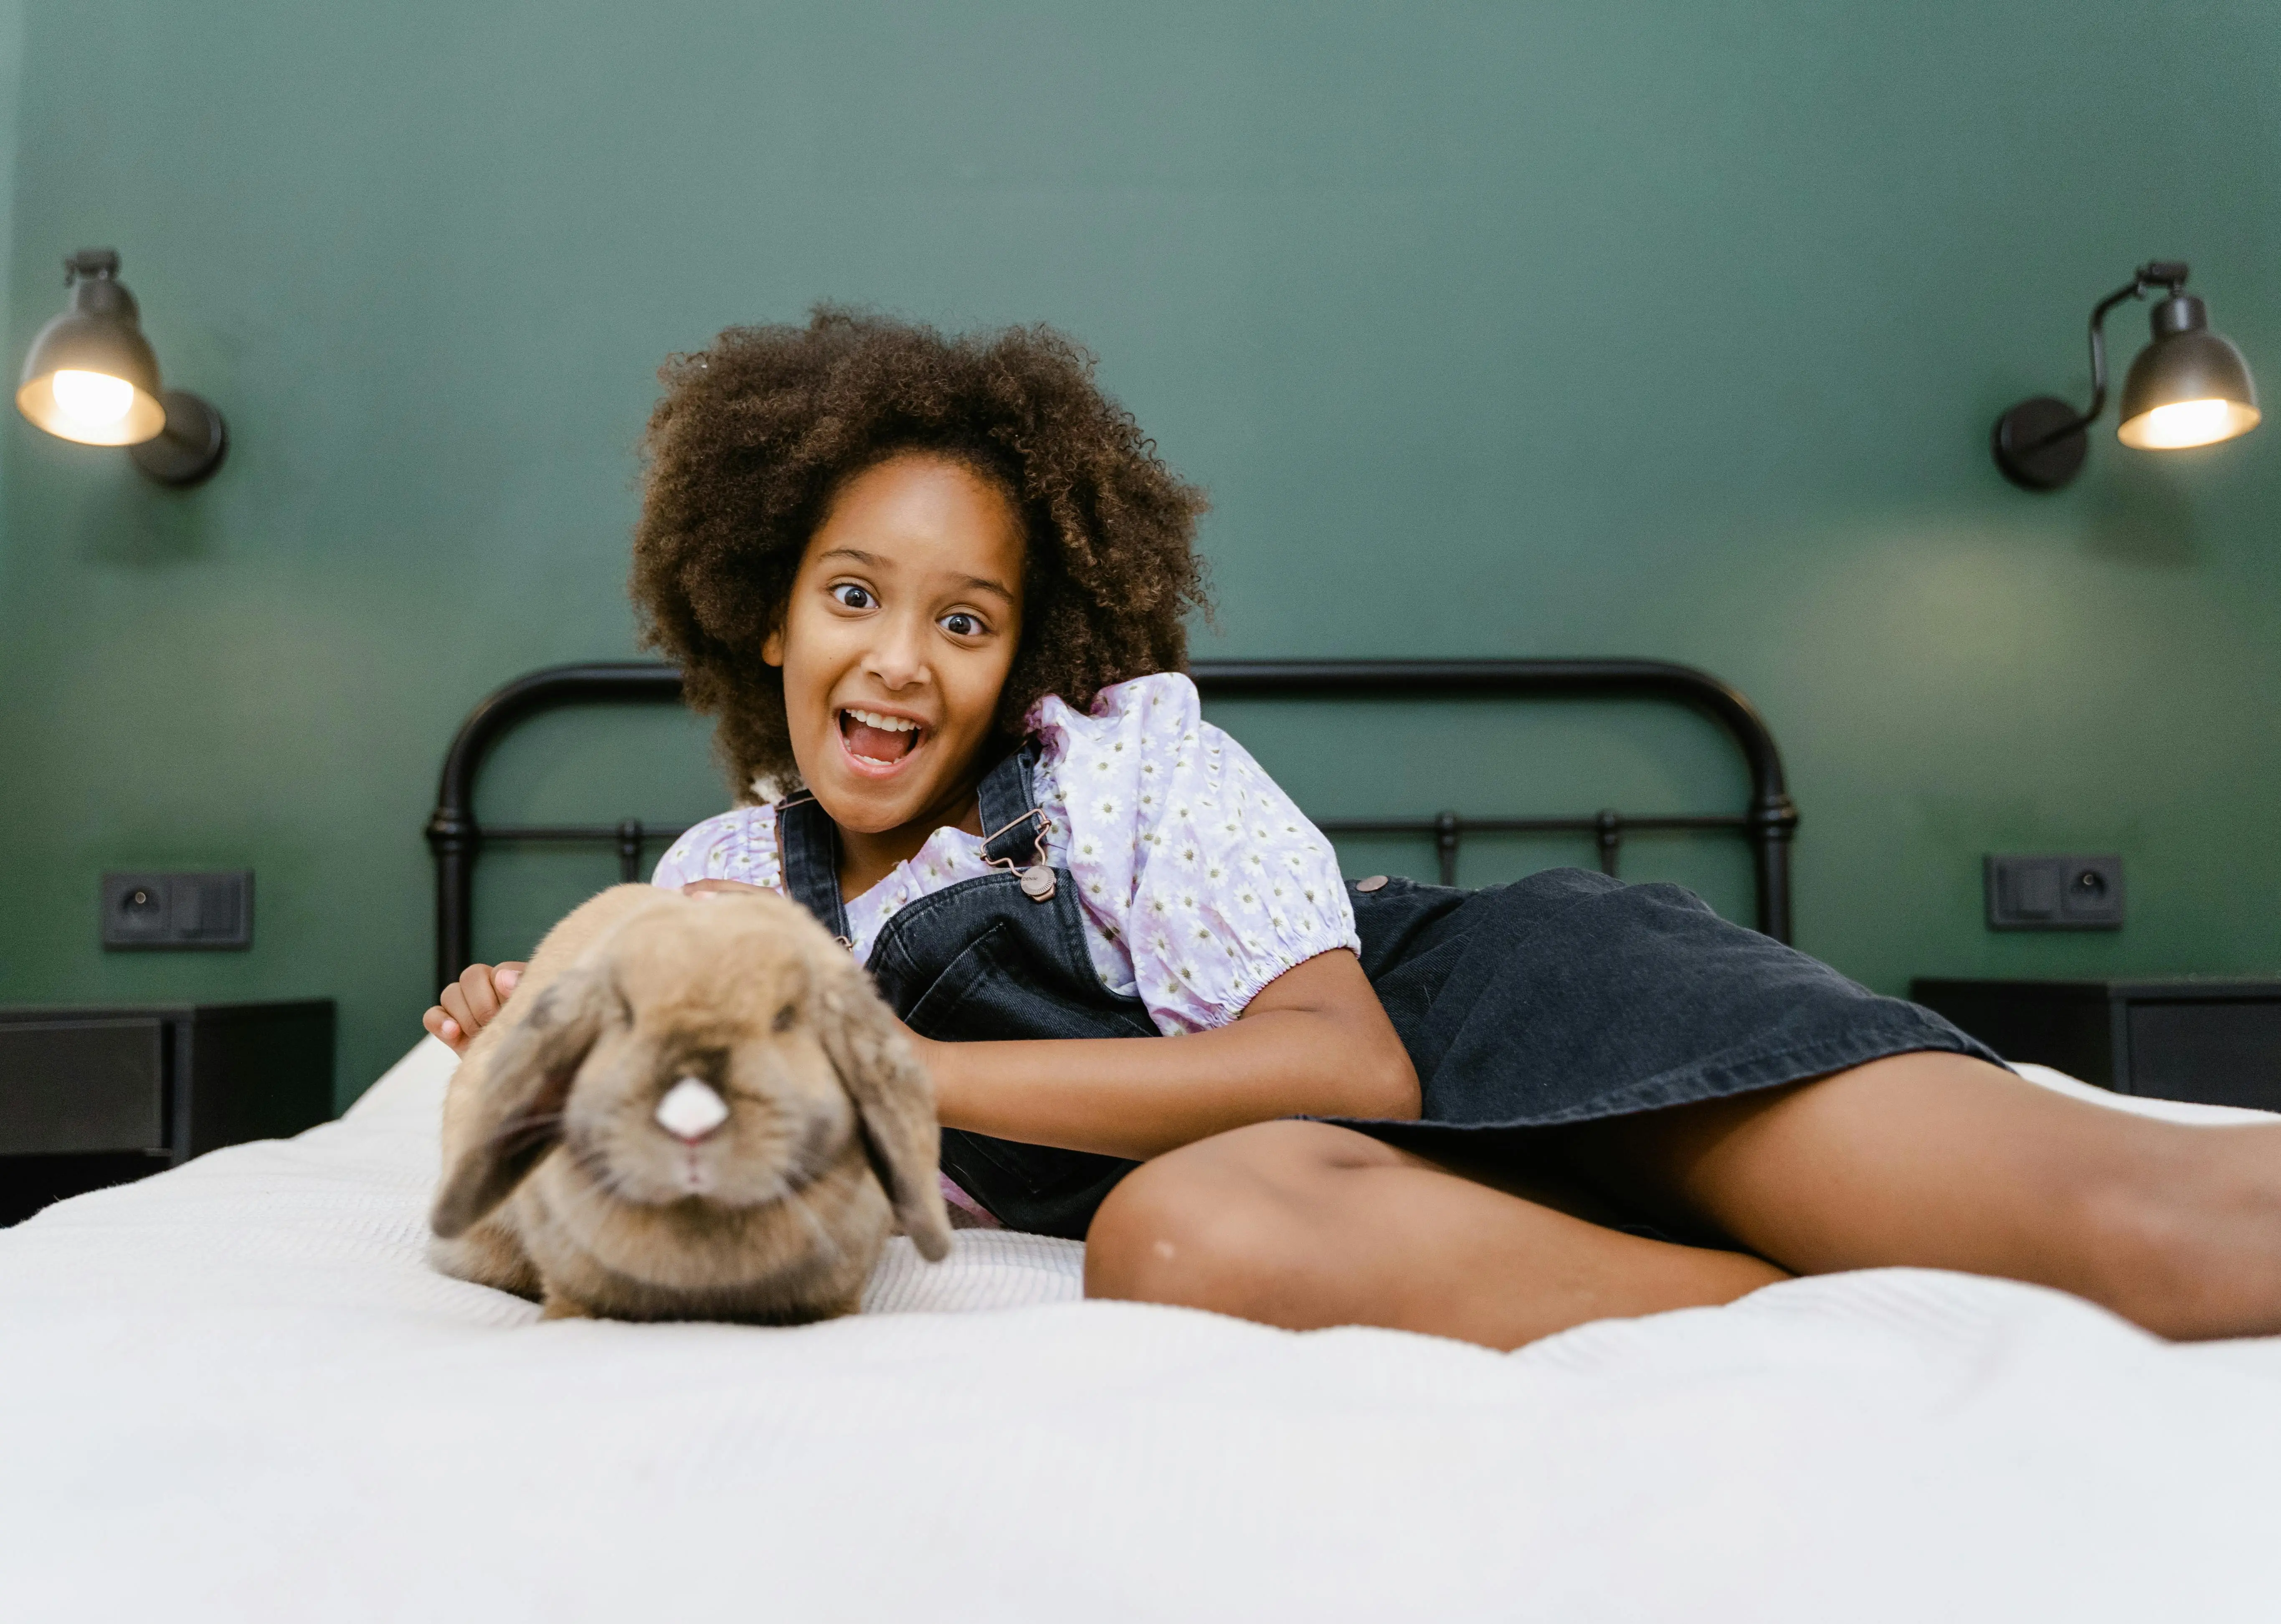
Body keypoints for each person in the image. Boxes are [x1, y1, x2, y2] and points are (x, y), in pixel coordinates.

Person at [425, 308, 2281, 1350]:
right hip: (1323, 1202)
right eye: (851, 595)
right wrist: (548, 1034)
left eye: (965, 620)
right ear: (763, 609)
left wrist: (886, 1061)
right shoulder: (714, 890)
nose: (899, 661)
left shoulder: (1125, 764)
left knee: (2149, 1234)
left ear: (1024, 660)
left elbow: (1351, 1059)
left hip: (1493, 1022)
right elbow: (637, 1171)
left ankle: (1918, 1235)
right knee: (1179, 1244)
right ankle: (1838, 1316)